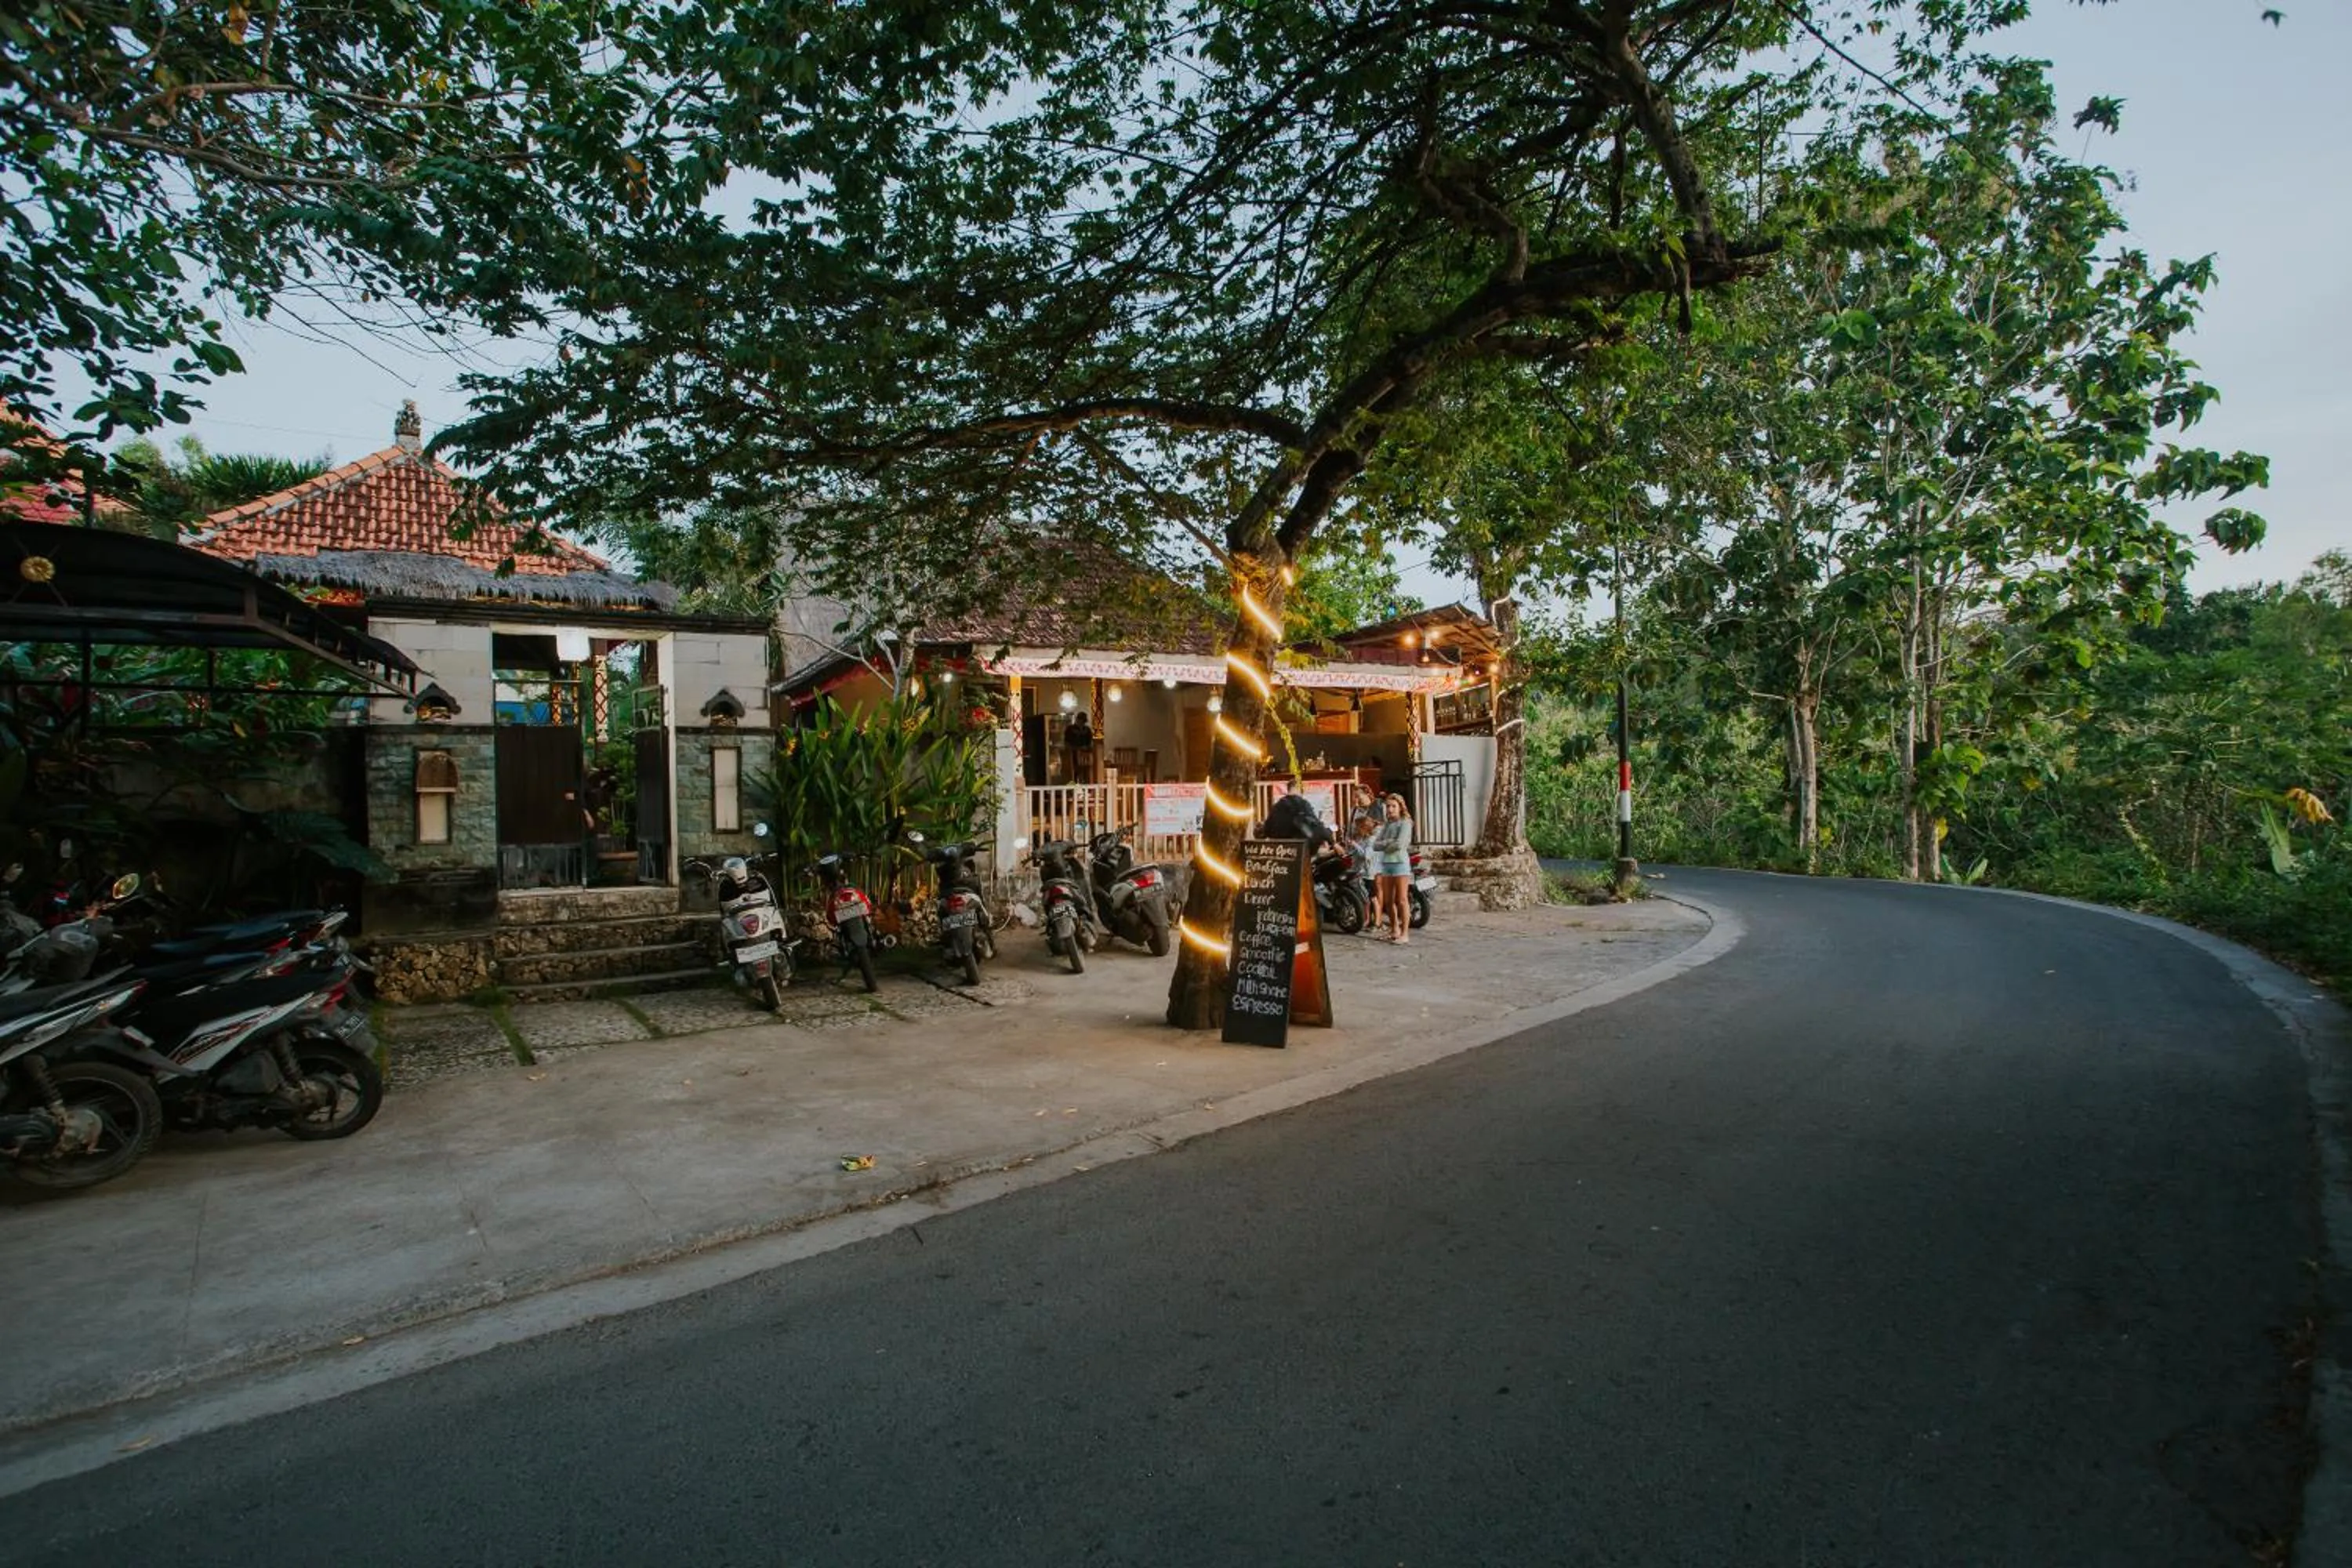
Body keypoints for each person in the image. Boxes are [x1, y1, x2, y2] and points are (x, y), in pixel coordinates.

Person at [1372, 792, 1414, 944]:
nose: (1390, 809)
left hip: (1400, 865)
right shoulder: (1387, 825)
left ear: (1400, 807)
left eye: (1393, 806)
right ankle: (1394, 929)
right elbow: (1375, 845)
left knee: (1402, 899)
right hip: (1386, 865)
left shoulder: (1405, 823)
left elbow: (1400, 845)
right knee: (1389, 901)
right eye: (1388, 806)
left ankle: (1405, 933)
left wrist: (1387, 843)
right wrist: (1389, 842)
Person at [1063, 710, 1095, 784]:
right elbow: (1067, 743)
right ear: (1077, 720)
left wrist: (1087, 748)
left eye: (1083, 722)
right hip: (1073, 755)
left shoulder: (1087, 730)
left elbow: (1090, 742)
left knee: (1086, 773)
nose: (1082, 723)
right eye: (1081, 721)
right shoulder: (1070, 729)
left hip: (1085, 757)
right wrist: (1076, 749)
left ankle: (1085, 788)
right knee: (1074, 773)